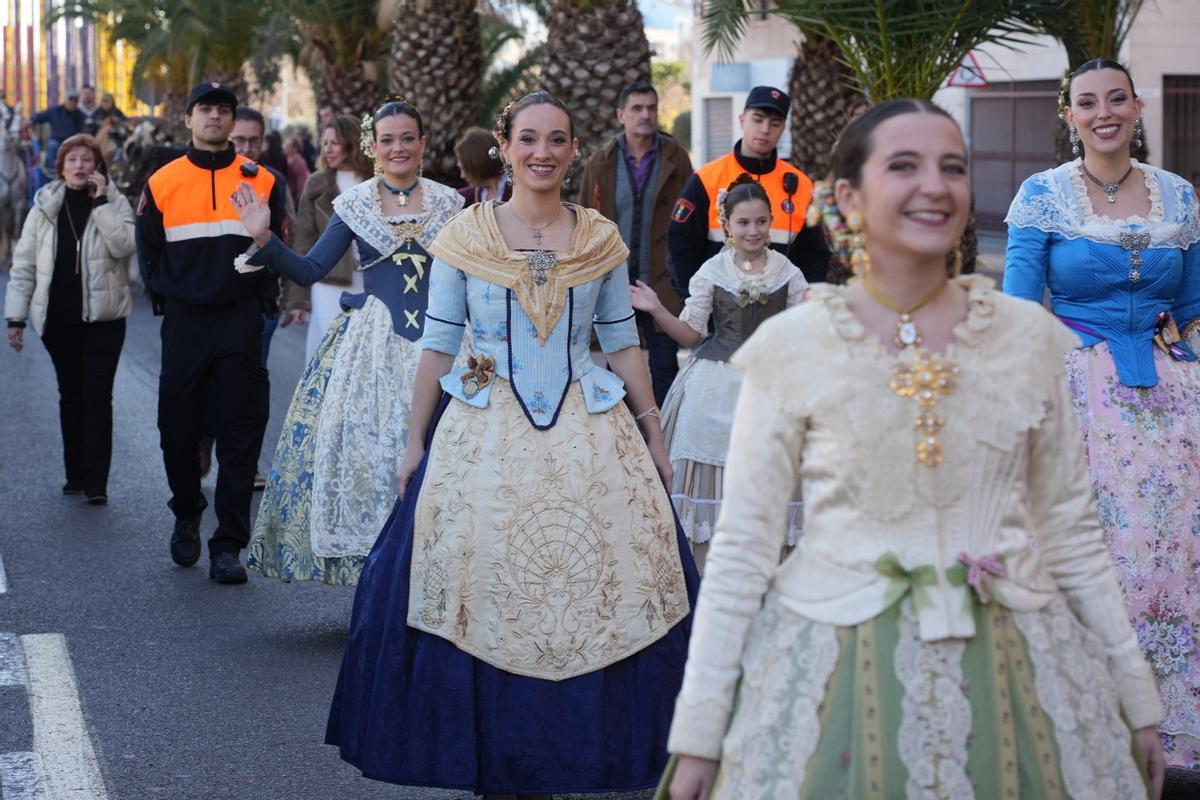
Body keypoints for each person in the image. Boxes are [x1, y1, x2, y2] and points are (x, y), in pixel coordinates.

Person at [662, 99, 1166, 799]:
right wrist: (699, 732)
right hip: (831, 670)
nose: (935, 184)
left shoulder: (1027, 337)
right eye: (904, 166)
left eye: (952, 167)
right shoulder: (793, 346)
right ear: (847, 198)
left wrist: (1137, 700)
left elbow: (1073, 534)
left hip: (1023, 672)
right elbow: (744, 549)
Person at [324, 90, 698, 796]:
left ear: (573, 149)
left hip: (591, 434)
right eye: (529, 138)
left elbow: (621, 343)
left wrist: (653, 434)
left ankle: (575, 752)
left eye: (558, 140)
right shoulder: (464, 236)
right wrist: (414, 443)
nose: (543, 153)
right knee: (477, 584)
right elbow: (438, 344)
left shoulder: (599, 238)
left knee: (605, 586)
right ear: (504, 143)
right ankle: (495, 758)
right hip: (482, 431)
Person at [1004, 57, 1200, 769]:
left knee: (1172, 551)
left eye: (1117, 98)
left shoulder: (1179, 196)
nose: (1104, 112)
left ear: (1139, 108)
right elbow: (1023, 310)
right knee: (1096, 552)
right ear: (1070, 115)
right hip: (1079, 390)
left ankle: (1170, 725)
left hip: (1171, 401)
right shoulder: (1043, 195)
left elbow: (1192, 309)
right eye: (1088, 102)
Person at [231, 99, 464, 586]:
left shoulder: (451, 205)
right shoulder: (355, 205)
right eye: (387, 140)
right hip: (373, 348)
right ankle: (384, 580)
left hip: (444, 343)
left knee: (448, 456)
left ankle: (437, 575)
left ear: (423, 143)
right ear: (372, 147)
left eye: (407, 138)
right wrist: (265, 240)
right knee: (374, 456)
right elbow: (311, 268)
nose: (398, 147)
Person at [135, 81, 289, 585]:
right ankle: (186, 509)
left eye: (223, 111)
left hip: (241, 319)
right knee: (177, 432)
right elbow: (149, 250)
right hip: (186, 322)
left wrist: (262, 299)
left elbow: (279, 244)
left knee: (241, 436)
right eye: (205, 109)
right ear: (189, 119)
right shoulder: (162, 181)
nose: (215, 118)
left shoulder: (263, 179)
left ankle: (228, 546)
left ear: (231, 120)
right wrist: (174, 293)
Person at [631, 175, 806, 573]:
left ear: (772, 220)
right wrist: (657, 308)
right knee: (715, 468)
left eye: (761, 221)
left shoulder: (787, 271)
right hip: (716, 385)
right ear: (726, 224)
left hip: (772, 385)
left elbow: (800, 331)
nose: (754, 230)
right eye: (744, 222)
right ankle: (714, 574)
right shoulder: (712, 270)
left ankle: (770, 572)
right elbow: (691, 334)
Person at [4, 134, 134, 505]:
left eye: (87, 160)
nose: (80, 166)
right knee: (70, 395)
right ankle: (74, 473)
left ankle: (97, 483)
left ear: (98, 168)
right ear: (60, 168)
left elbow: (125, 246)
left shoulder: (115, 202)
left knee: (97, 397)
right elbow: (24, 266)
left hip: (105, 320)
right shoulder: (43, 209)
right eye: (72, 160)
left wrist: (103, 204)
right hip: (58, 319)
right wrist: (15, 317)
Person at [579, 81, 694, 405]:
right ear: (621, 114)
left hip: (662, 282)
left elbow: (692, 220)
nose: (645, 115)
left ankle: (666, 442)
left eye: (651, 108)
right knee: (615, 367)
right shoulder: (601, 161)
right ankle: (623, 442)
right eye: (637, 108)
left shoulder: (677, 158)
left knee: (664, 366)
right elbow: (586, 223)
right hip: (615, 281)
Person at [667, 86, 828, 293]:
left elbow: (815, 254)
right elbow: (681, 246)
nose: (765, 129)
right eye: (758, 119)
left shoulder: (802, 185)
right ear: (742, 120)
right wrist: (695, 302)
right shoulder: (707, 179)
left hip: (783, 310)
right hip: (719, 311)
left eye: (775, 123)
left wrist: (806, 304)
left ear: (783, 128)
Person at [286, 114, 374, 363]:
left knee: (364, 355)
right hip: (328, 283)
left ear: (352, 143)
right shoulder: (317, 183)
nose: (328, 149)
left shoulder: (376, 182)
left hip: (370, 282)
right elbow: (303, 241)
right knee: (330, 353)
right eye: (325, 143)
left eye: (335, 142)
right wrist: (298, 300)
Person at [28, 88, 84, 171]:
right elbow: (40, 117)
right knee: (52, 145)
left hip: (73, 141)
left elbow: (83, 130)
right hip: (57, 140)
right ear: (65, 100)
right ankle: (54, 171)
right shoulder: (55, 111)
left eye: (75, 100)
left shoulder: (80, 114)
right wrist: (32, 119)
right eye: (70, 99)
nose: (72, 102)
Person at [454, 126, 511, 205]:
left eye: (464, 169)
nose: (462, 176)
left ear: (478, 165)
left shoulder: (517, 188)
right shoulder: (463, 198)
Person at [283, 134, 311, 202]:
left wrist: (300, 200)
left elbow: (302, 182)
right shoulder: (286, 158)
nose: (285, 147)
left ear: (295, 148)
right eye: (285, 145)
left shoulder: (299, 161)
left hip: (297, 196)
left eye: (288, 146)